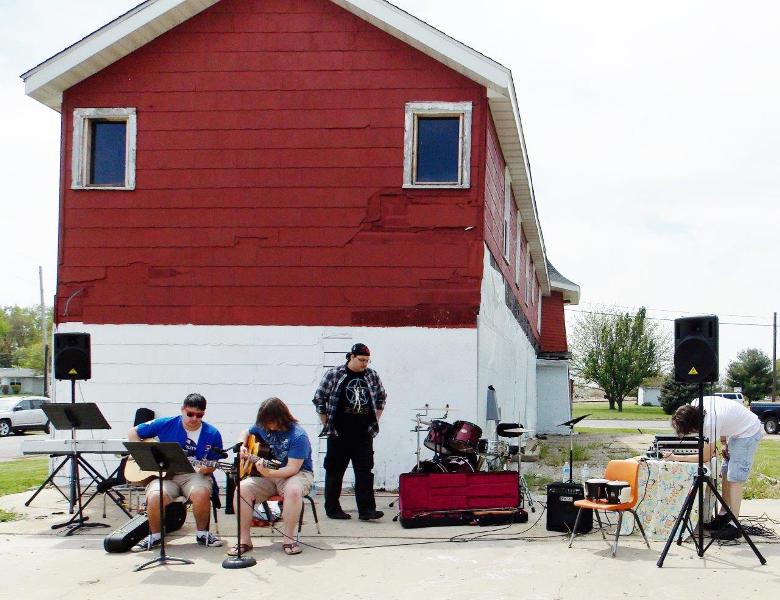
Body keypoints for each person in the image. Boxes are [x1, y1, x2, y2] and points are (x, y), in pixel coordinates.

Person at [128, 393, 224, 549]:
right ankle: (155, 536)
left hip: (193, 475)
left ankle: (202, 534)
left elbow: (213, 463)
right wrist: (143, 456)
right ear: (182, 409)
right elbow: (133, 432)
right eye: (190, 414)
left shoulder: (212, 433)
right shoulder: (166, 423)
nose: (194, 418)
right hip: (164, 474)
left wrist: (206, 468)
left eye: (199, 415)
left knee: (201, 493)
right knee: (155, 496)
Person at [664, 394, 763, 540]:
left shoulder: (710, 423)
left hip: (748, 432)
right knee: (726, 472)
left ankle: (735, 527)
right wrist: (723, 443)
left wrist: (675, 457)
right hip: (736, 431)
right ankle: (724, 515)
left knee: (735, 478)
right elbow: (724, 419)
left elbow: (705, 457)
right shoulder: (696, 403)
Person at [228, 397, 315, 557]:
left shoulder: (298, 436)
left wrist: (270, 473)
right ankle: (244, 540)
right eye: (264, 423)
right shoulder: (263, 426)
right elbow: (245, 432)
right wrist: (241, 446)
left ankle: (289, 539)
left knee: (293, 491)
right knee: (242, 489)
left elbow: (292, 468)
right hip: (268, 474)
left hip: (296, 474)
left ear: (280, 418)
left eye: (269, 422)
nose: (266, 426)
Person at [313, 342, 386, 521]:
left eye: (367, 361)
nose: (364, 364)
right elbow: (319, 398)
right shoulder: (334, 374)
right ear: (351, 357)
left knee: (365, 472)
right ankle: (333, 509)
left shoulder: (371, 375)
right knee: (335, 471)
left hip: (363, 434)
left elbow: (381, 398)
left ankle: (367, 510)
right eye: (361, 360)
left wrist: (375, 420)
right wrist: (326, 423)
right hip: (339, 433)